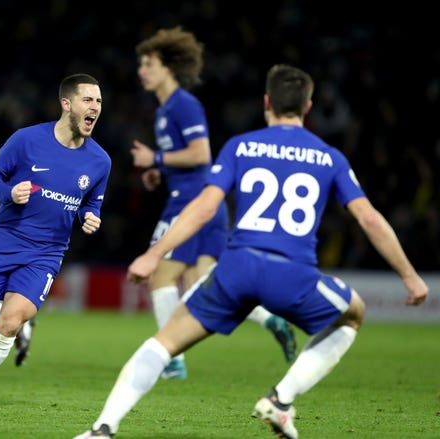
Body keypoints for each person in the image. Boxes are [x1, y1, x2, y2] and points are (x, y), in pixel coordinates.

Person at [74, 64, 428, 439]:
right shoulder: (329, 157)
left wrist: (154, 253)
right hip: (293, 276)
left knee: (163, 343)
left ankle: (102, 429)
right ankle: (281, 400)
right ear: (308, 107)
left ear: (266, 103)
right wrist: (409, 276)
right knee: (353, 313)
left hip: (237, 269)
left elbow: (206, 206)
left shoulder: (240, 146)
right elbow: (369, 220)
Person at [130, 27, 296, 380]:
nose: (142, 70)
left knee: (159, 274)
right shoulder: (164, 110)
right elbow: (187, 158)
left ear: (169, 67)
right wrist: (160, 170)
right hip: (203, 199)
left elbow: (201, 153)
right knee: (205, 282)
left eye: (148, 63)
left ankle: (171, 359)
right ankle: (271, 319)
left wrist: (156, 158)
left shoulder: (182, 105)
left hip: (191, 202)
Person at [0, 73, 111, 411]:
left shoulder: (100, 161)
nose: (95, 107)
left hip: (46, 254)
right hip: (2, 244)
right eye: (88, 100)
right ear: (67, 104)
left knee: (11, 322)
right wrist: (8, 192)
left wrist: (89, 216)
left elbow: (91, 202)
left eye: (99, 101)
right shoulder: (26, 140)